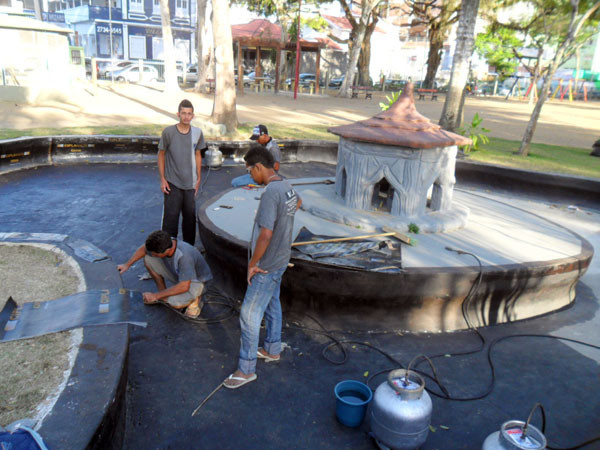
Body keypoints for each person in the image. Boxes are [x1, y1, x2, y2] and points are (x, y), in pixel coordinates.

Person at [224, 146, 301, 389]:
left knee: (249, 314)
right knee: (272, 302)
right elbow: (298, 203)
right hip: (281, 258)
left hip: (266, 264)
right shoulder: (286, 186)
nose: (250, 177)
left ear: (258, 167)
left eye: (250, 171)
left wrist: (253, 264)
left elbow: (265, 235)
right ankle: (272, 348)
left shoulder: (270, 194)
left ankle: (246, 370)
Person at [117, 230, 212, 318]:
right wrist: (127, 265)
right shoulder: (166, 242)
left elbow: (184, 286)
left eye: (155, 254)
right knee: (148, 260)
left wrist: (155, 296)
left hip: (197, 283)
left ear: (167, 251)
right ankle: (162, 294)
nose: (153, 255)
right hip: (181, 276)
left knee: (174, 303)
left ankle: (195, 300)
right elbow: (143, 249)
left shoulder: (184, 257)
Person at [159, 99, 207, 245]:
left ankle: (189, 249)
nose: (186, 116)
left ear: (193, 116)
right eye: (183, 113)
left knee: (190, 219)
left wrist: (198, 178)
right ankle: (167, 250)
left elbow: (198, 155)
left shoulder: (197, 133)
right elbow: (161, 154)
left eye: (189, 114)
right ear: (178, 114)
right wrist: (163, 179)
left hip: (190, 184)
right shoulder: (168, 132)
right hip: (172, 182)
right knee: (170, 219)